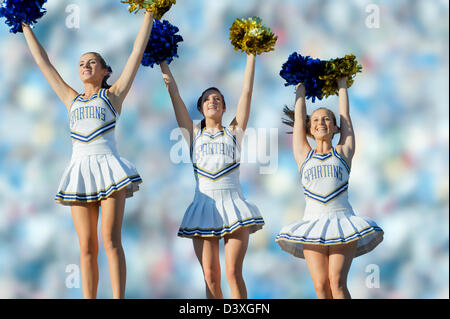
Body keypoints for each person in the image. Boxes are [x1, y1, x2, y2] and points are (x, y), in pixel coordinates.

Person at [21, 10, 154, 298]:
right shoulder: (70, 98)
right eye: (81, 63)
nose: (85, 65)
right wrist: (24, 25)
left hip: (109, 168)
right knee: (86, 247)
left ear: (106, 71)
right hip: (79, 171)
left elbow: (136, 52)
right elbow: (44, 64)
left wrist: (150, 12)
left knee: (110, 239)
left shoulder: (113, 95)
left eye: (92, 62)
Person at [159, 52, 264, 299]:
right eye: (207, 99)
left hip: (234, 205)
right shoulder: (192, 134)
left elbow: (247, 92)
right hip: (204, 206)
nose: (212, 101)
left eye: (217, 99)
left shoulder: (234, 132)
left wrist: (252, 53)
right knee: (210, 275)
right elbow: (174, 94)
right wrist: (161, 58)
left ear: (225, 106)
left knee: (232, 273)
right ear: (200, 107)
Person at [276, 78, 384, 299]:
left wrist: (342, 85)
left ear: (335, 128)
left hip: (342, 221)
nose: (321, 122)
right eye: (315, 119)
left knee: (337, 282)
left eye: (327, 119)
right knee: (320, 286)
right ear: (310, 128)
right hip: (312, 223)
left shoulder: (343, 152)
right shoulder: (303, 155)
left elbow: (346, 116)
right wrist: (300, 87)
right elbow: (298, 119)